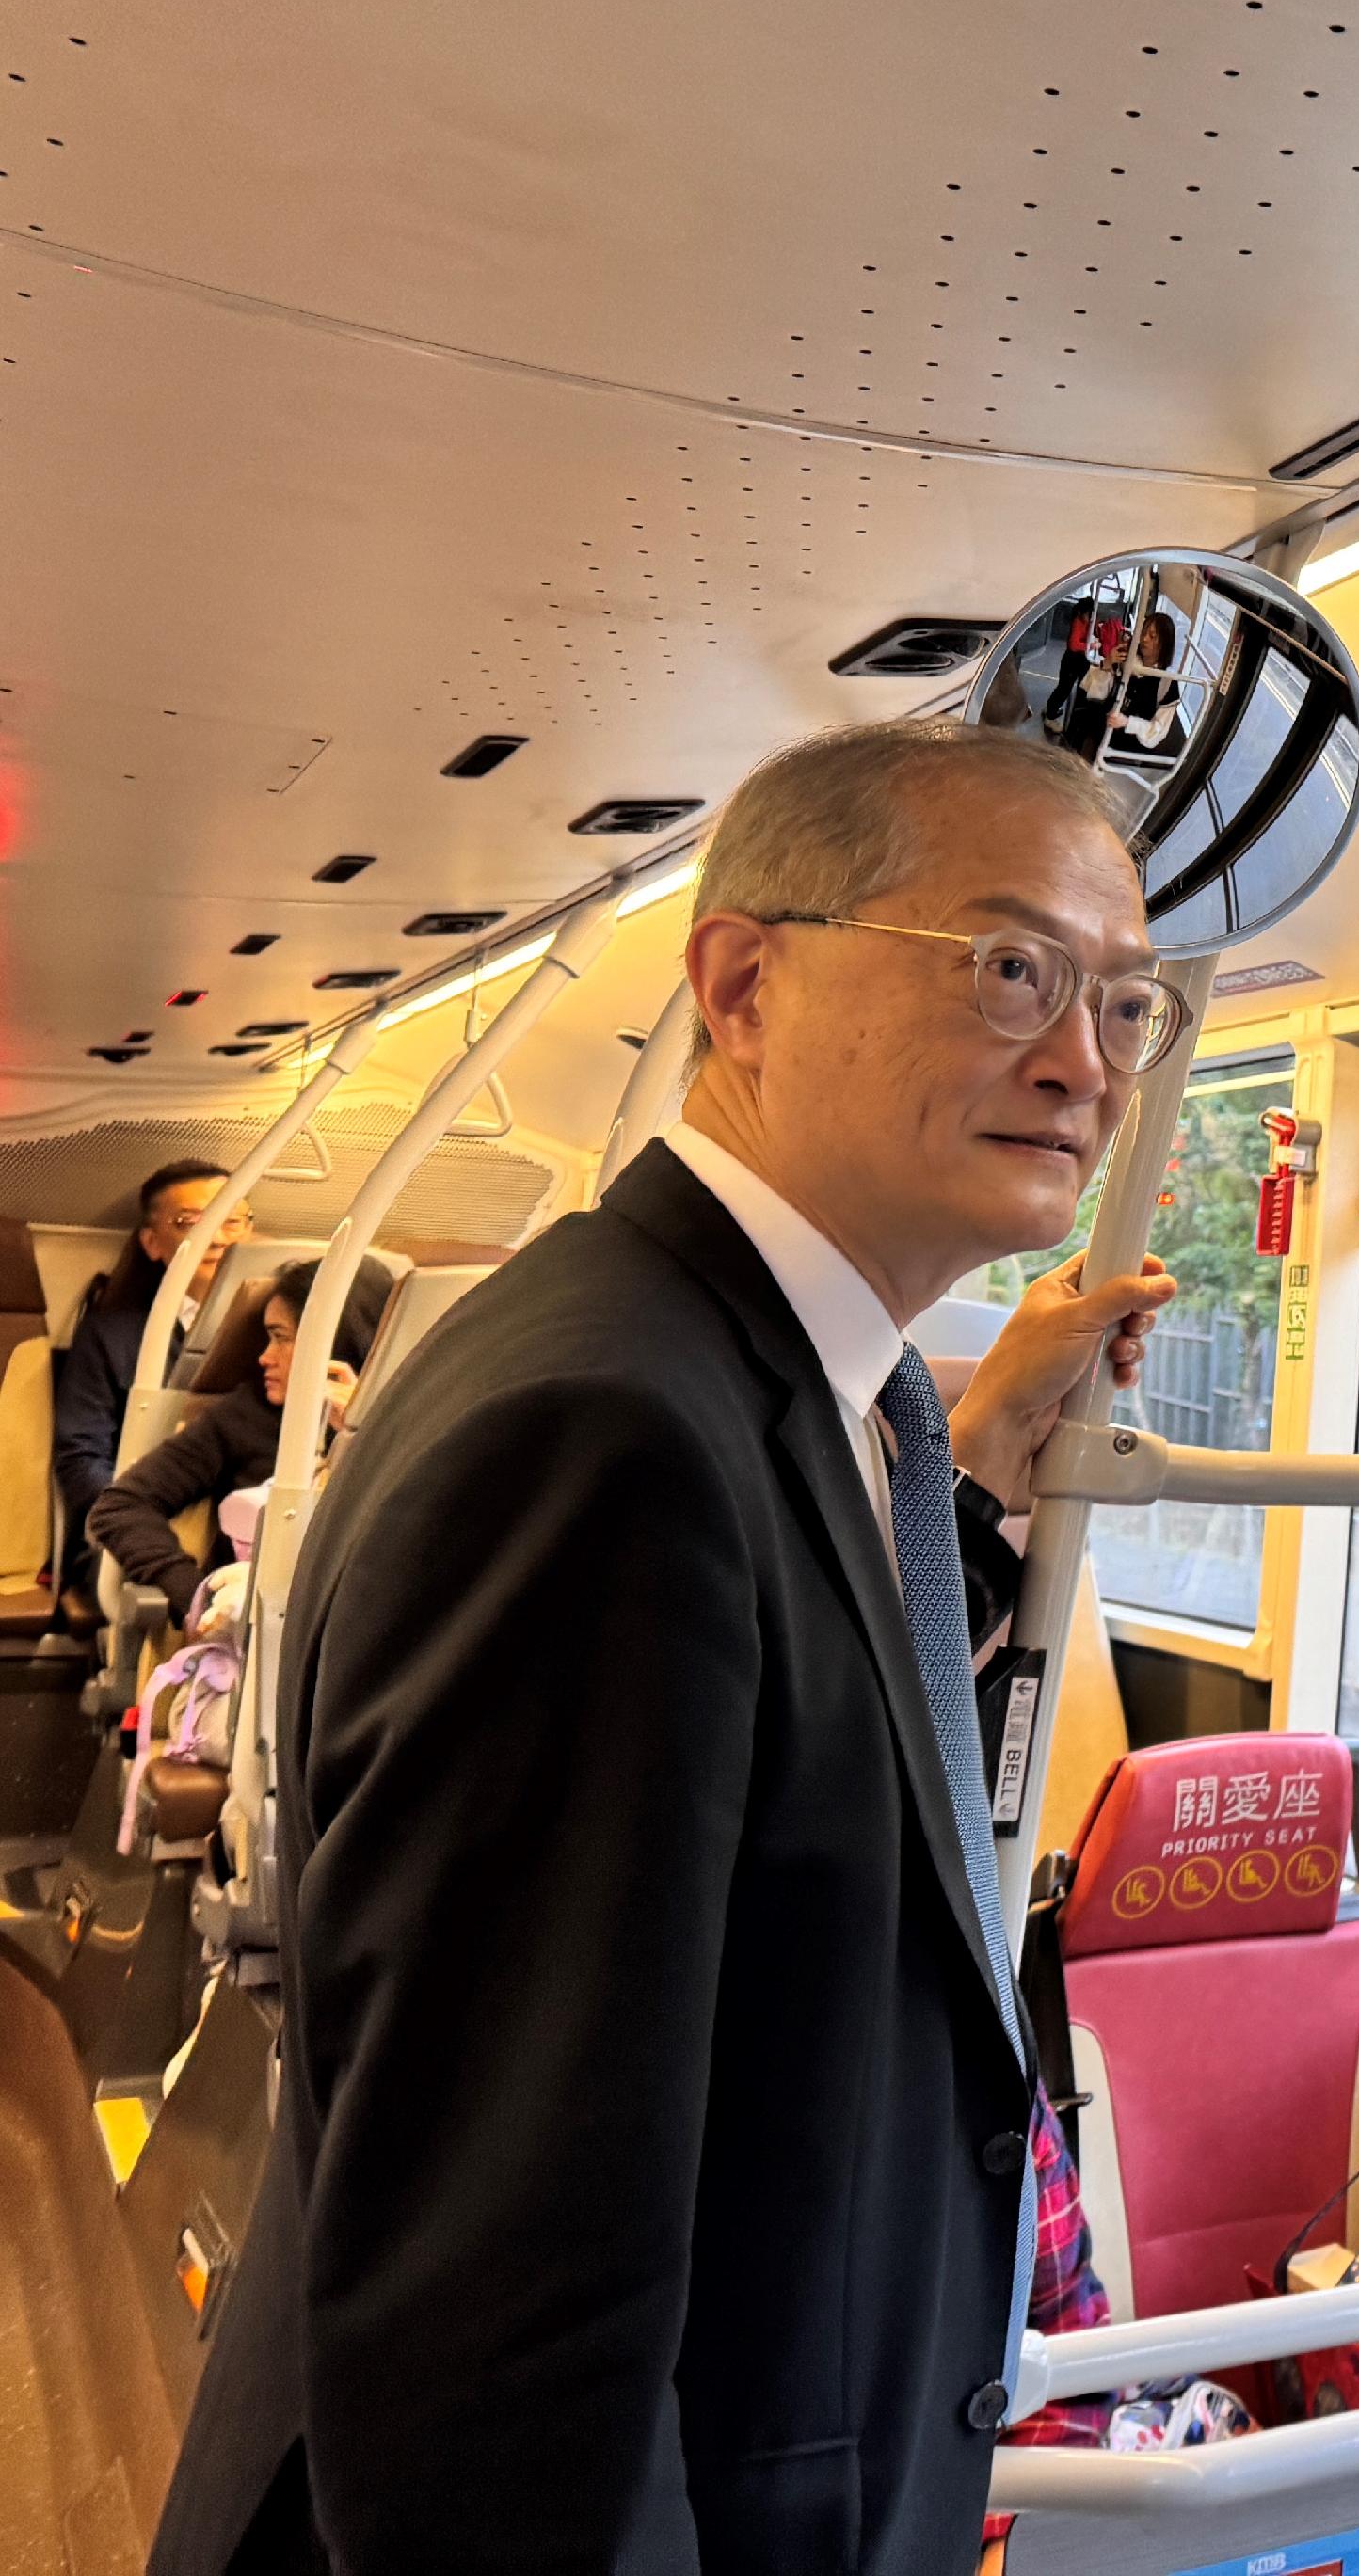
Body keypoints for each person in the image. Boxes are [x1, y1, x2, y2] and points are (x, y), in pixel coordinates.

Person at [153, 718, 1182, 2576]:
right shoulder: (610, 1439)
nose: (1082, 1061)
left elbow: (759, 1756)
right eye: (1012, 967)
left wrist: (958, 1483)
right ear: (743, 984)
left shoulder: (759, 1389)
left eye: (1127, 1002)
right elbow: (511, 2313)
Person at [86, 1258, 395, 1628]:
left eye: (280, 1338)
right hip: (257, 1629)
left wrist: (358, 1433)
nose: (264, 1357)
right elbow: (119, 1505)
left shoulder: (400, 1416)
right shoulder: (243, 1417)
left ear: (333, 1339)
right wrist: (200, 1598)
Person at [52, 1157, 253, 1596]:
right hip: (133, 1525)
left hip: (246, 1528)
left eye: (233, 1221)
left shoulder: (276, 1337)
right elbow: (80, 1455)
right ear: (152, 1242)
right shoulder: (111, 1336)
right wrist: (137, 1524)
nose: (218, 1238)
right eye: (191, 1223)